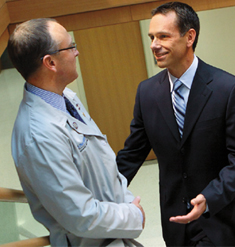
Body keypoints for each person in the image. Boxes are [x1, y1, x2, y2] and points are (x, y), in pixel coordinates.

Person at [116, 2, 235, 246]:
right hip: (175, 223)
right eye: (151, 37)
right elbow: (131, 155)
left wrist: (209, 197)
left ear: (189, 36)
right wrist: (101, 193)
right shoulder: (147, 93)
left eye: (163, 36)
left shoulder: (228, 89)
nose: (154, 45)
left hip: (220, 219)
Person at [8, 18, 145, 247]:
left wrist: (128, 204)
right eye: (71, 47)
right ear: (50, 62)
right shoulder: (37, 136)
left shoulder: (66, 97)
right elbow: (80, 215)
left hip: (115, 229)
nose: (77, 52)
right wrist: (134, 215)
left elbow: (103, 161)